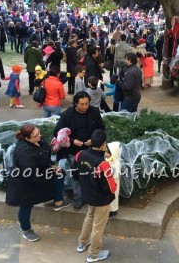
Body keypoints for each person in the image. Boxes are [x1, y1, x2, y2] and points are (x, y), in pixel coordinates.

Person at [5, 124, 72, 242]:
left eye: (39, 132)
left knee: (60, 174)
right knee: (26, 205)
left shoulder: (38, 141)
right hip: (25, 182)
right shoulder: (24, 153)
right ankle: (26, 230)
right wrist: (48, 172)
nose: (40, 136)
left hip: (40, 173)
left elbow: (44, 156)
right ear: (27, 138)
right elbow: (30, 174)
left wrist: (52, 166)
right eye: (36, 135)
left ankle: (58, 201)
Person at [54, 91, 105, 211]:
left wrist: (93, 140)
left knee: (93, 175)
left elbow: (101, 128)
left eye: (87, 103)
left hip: (91, 150)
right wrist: (72, 140)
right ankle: (78, 199)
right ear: (75, 103)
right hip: (74, 151)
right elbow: (57, 132)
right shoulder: (67, 114)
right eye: (82, 104)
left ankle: (92, 197)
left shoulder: (94, 111)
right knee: (76, 176)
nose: (85, 107)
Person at [75, 129, 116, 262]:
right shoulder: (103, 164)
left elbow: (74, 173)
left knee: (89, 217)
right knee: (98, 227)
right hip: (101, 200)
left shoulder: (80, 154)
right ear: (104, 144)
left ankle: (82, 243)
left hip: (87, 195)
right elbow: (111, 187)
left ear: (91, 142)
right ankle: (93, 254)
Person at [105, 141, 121, 219]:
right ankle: (110, 210)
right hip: (109, 184)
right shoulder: (109, 160)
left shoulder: (116, 163)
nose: (105, 154)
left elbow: (114, 175)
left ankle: (113, 211)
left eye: (107, 153)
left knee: (113, 199)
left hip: (113, 184)